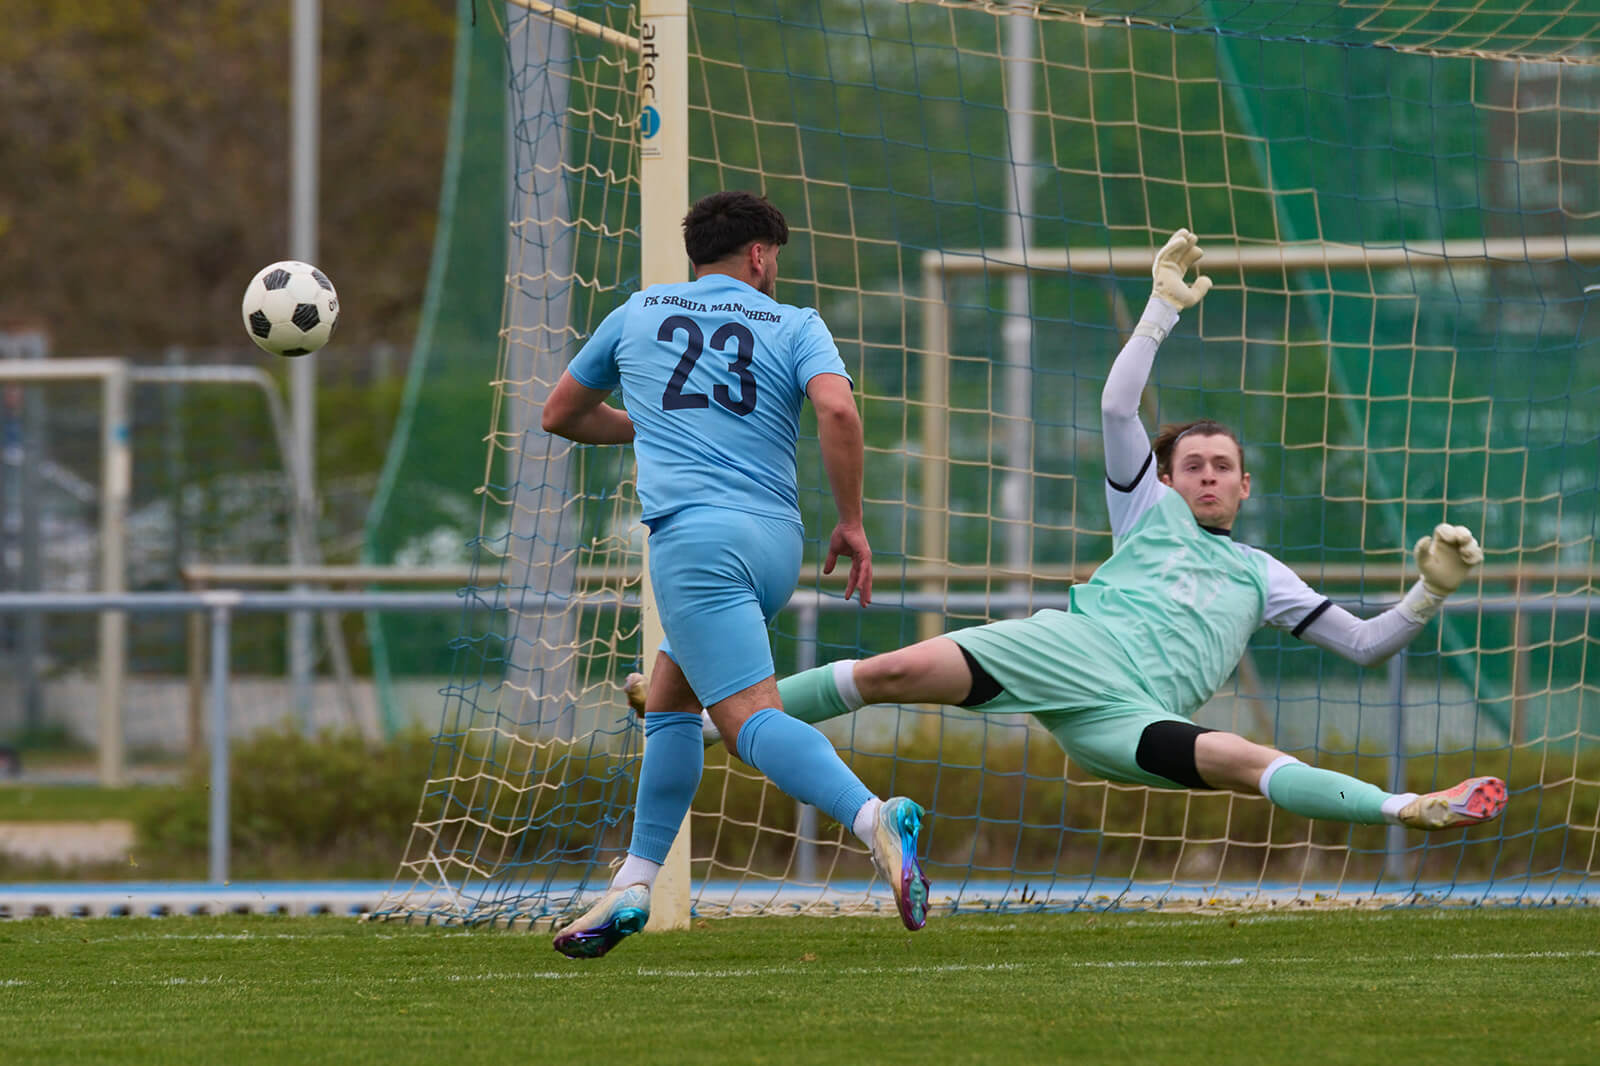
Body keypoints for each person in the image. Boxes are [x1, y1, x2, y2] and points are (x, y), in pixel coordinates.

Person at [631, 228, 1508, 838]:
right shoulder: (1147, 511)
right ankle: (709, 721)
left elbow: (1365, 645)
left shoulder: (1263, 573)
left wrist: (1429, 592)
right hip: (1065, 649)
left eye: (1222, 466)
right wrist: (1159, 312)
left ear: (1246, 484)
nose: (1207, 475)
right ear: (1167, 479)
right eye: (1192, 464)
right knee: (892, 670)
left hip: (1129, 716)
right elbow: (1119, 407)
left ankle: (1407, 807)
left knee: (1245, 758)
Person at [540, 190, 929, 959]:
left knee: (747, 720)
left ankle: (872, 818)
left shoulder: (638, 312)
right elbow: (838, 412)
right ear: (758, 254)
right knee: (670, 701)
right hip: (775, 545)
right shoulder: (796, 322)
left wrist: (653, 426)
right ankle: (633, 886)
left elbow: (561, 414)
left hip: (696, 545)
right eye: (774, 256)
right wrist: (851, 522)